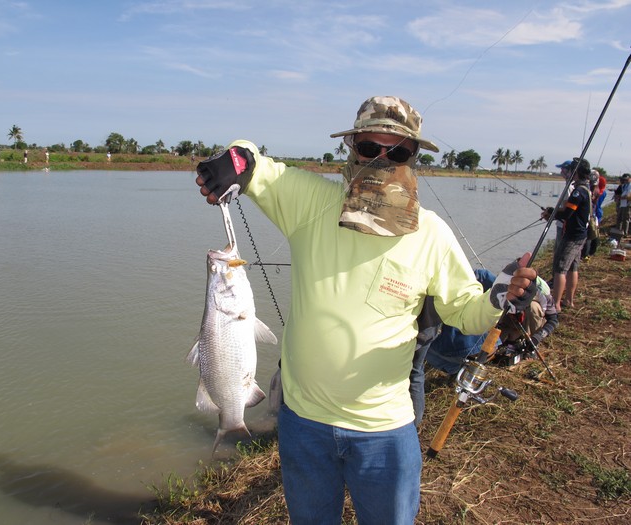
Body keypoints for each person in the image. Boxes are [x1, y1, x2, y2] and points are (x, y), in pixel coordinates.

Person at [195, 95, 537, 525]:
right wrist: (236, 161)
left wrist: (498, 299)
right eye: (369, 148)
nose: (381, 159)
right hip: (304, 423)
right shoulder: (311, 201)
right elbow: (256, 164)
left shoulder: (431, 232)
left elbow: (464, 310)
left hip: (386, 431)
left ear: (413, 156)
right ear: (351, 146)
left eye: (397, 151)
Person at [410, 269, 497, 425]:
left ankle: (412, 423)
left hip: (421, 328)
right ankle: (412, 425)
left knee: (414, 372)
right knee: (415, 372)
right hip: (432, 330)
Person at [541, 157, 592, 312]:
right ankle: (568, 300)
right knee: (572, 268)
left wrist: (552, 213)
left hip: (572, 236)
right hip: (580, 235)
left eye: (570, 170)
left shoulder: (578, 192)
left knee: (560, 268)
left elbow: (567, 213)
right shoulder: (584, 189)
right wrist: (552, 212)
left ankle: (556, 304)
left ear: (575, 173)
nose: (568, 172)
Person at [496, 276, 559, 361]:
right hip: (510, 320)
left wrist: (538, 336)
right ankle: (511, 341)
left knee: (533, 307)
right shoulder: (505, 282)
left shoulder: (542, 290)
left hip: (530, 321)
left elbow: (553, 320)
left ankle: (529, 345)